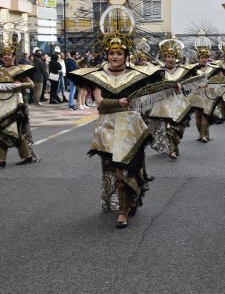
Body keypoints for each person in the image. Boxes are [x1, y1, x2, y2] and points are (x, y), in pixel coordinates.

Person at [68, 34, 165, 228]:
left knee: (123, 171)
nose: (115, 57)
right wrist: (118, 102)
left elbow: (149, 94)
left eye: (119, 53)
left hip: (130, 128)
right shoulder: (97, 76)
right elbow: (100, 103)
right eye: (111, 53)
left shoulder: (137, 76)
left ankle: (123, 211)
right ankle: (126, 203)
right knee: (114, 169)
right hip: (108, 129)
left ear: (125, 55)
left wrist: (171, 87)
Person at [0, 45, 37, 169]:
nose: (6, 57)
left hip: (15, 103)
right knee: (2, 128)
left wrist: (19, 84)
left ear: (13, 56)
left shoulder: (18, 70)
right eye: (4, 54)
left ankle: (1, 159)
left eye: (9, 54)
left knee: (13, 129)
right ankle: (26, 156)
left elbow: (31, 85)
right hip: (0, 103)